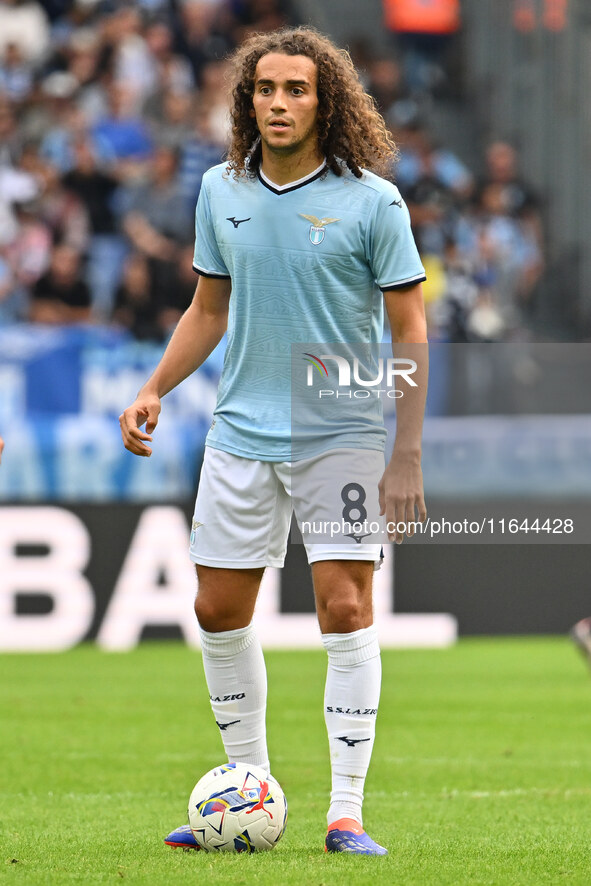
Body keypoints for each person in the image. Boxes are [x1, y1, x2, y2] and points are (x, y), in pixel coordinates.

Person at [119, 26, 428, 856]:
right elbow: (207, 310)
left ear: (326, 100)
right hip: (242, 429)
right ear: (245, 99)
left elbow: (409, 328)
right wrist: (154, 386)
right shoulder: (222, 190)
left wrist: (405, 452)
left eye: (296, 89)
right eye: (265, 89)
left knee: (344, 606)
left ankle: (345, 813)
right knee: (216, 610)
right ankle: (246, 788)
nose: (279, 103)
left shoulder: (373, 200)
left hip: (344, 429)